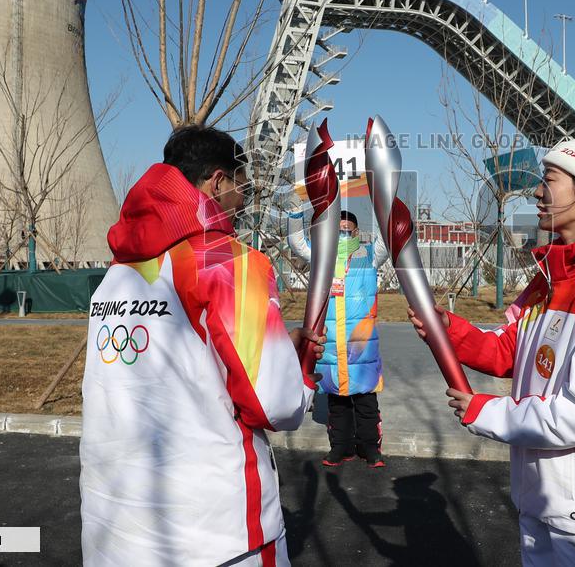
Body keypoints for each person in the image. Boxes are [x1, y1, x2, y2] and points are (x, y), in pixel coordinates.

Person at [410, 120, 575, 566]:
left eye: (550, 181)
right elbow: (507, 350)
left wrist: (486, 411)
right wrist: (447, 328)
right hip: (540, 498)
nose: (536, 193)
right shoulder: (549, 280)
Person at [80, 126, 324, 567]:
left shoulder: (116, 273)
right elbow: (276, 404)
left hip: (114, 532)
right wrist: (299, 372)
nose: (244, 198)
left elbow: (173, 364)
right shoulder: (224, 259)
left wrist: (276, 348)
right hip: (218, 538)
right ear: (217, 181)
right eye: (240, 184)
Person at [287, 207, 388, 467]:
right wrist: (296, 213)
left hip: (361, 347)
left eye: (347, 230)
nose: (343, 234)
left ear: (356, 232)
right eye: (338, 230)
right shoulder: (322, 255)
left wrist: (382, 204)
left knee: (366, 402)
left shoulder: (369, 256)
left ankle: (371, 449)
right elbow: (297, 242)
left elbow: (388, 238)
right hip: (330, 345)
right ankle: (340, 448)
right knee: (337, 403)